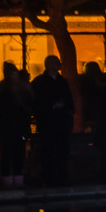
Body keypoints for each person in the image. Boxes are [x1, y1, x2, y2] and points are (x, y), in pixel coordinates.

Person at [31, 55, 77, 185]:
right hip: (48, 123)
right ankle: (49, 176)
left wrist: (68, 112)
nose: (59, 65)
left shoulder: (61, 81)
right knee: (48, 150)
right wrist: (52, 106)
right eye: (56, 63)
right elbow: (36, 103)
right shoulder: (40, 82)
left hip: (61, 122)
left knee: (62, 150)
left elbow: (69, 99)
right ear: (50, 65)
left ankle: (62, 175)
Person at [0, 62, 33, 187]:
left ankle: (13, 179)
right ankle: (11, 179)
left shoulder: (18, 89)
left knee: (17, 154)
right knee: (9, 154)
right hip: (10, 126)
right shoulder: (5, 90)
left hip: (15, 126)